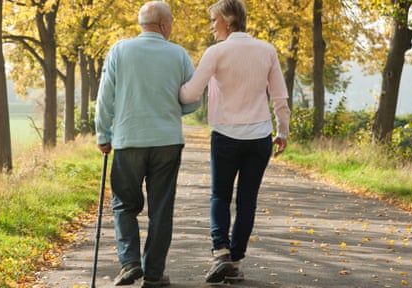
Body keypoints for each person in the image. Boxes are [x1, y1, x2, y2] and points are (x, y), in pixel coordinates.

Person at [179, 0, 291, 284]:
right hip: (259, 137)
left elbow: (190, 94)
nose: (211, 26)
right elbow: (279, 96)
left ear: (228, 22)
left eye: (213, 21)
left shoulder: (216, 52)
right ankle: (236, 261)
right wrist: (283, 131)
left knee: (220, 195)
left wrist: (170, 91)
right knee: (247, 200)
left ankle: (221, 252)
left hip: (226, 136)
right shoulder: (267, 50)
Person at [95, 1, 201, 287]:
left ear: (142, 24)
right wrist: (171, 111)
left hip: (129, 141)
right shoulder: (178, 54)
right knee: (161, 208)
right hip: (167, 141)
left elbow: (105, 97)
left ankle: (129, 264)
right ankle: (153, 274)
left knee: (124, 205)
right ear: (164, 25)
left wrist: (102, 135)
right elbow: (194, 100)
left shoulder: (119, 50)